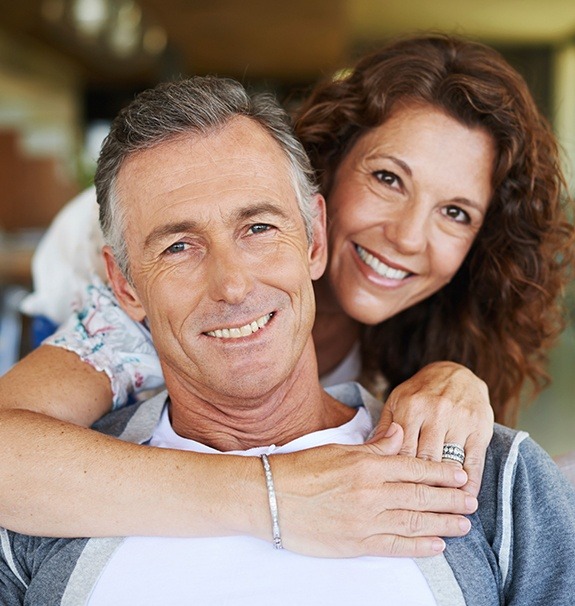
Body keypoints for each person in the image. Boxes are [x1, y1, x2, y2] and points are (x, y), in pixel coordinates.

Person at [1, 74, 574, 606]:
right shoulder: (50, 492)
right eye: (178, 246)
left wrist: (455, 377)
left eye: (259, 228)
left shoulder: (493, 479)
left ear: (313, 239)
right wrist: (273, 498)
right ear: (124, 285)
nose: (232, 284)